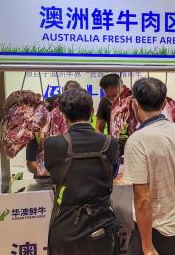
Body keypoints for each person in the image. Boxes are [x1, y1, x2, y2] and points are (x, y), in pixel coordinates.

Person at [124, 78, 175, 255]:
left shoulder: (137, 140)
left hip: (155, 232)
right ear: (165, 103)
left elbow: (142, 200)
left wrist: (147, 246)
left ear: (134, 103)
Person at [44, 88, 120, 255]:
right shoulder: (110, 143)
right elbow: (113, 174)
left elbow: (51, 172)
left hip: (66, 227)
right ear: (92, 111)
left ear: (63, 114)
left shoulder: (52, 144)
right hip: (102, 225)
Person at [26, 80, 81, 177]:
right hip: (44, 181)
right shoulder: (41, 129)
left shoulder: (79, 131)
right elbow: (31, 164)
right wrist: (50, 174)